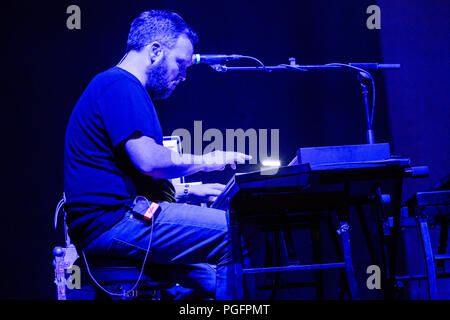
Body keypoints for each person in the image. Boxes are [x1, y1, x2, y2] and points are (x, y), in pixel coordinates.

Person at [63, 9, 251, 299]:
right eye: (180, 63)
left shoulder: (117, 86)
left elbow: (128, 173)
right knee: (235, 231)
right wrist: (207, 161)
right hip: (114, 222)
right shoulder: (120, 85)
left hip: (115, 220)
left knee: (214, 282)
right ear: (155, 51)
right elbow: (149, 161)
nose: (184, 76)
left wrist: (189, 192)